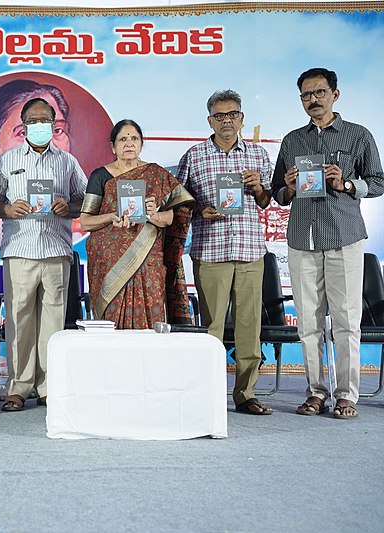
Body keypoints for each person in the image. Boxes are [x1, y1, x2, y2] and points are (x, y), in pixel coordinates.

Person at [271, 68, 384, 419]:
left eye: (319, 92)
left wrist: (347, 184)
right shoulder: (292, 141)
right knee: (308, 322)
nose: (313, 100)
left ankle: (347, 395)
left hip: (344, 236)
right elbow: (278, 193)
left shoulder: (357, 135)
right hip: (302, 239)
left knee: (347, 320)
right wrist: (289, 186)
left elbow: (378, 182)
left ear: (336, 94)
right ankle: (315, 392)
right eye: (306, 95)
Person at [178, 89, 274, 415]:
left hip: (249, 251)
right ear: (210, 120)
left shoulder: (258, 156)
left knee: (249, 327)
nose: (227, 120)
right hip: (210, 251)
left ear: (242, 118)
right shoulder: (194, 156)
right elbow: (178, 202)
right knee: (211, 329)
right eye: (220, 115)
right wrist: (199, 210)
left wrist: (259, 186)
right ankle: (207, 392)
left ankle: (246, 393)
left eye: (232, 114)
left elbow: (266, 201)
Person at [0, 97, 87, 412]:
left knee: (54, 322)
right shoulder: (7, 160)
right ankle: (18, 387)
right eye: (35, 121)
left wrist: (68, 207)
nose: (42, 126)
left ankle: (49, 386)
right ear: (26, 123)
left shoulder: (67, 162)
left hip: (57, 250)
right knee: (18, 320)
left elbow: (84, 199)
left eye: (48, 121)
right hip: (19, 249)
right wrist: (6, 208)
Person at [81, 119, 193, 329]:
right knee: (111, 322)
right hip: (109, 264)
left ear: (141, 144)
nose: (129, 143)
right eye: (123, 139)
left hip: (148, 261)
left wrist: (152, 214)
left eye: (134, 138)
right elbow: (86, 222)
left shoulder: (157, 175)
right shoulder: (100, 176)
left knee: (151, 313)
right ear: (113, 146)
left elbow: (172, 218)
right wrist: (111, 216)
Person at [0, 79, 75, 247]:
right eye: (24, 132)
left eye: (56, 130)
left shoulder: (83, 226)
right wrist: (7, 210)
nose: (42, 140)